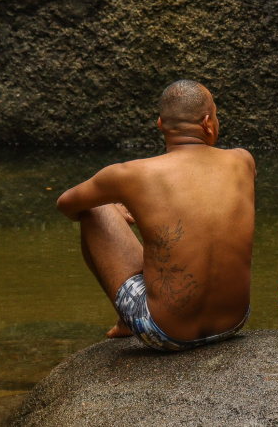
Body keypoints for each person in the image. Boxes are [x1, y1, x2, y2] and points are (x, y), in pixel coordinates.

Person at [56, 80, 255, 351]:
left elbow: (66, 204)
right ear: (208, 123)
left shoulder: (130, 175)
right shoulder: (243, 161)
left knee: (94, 207)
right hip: (234, 323)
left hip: (166, 334)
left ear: (160, 125)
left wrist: (116, 204)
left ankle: (127, 319)